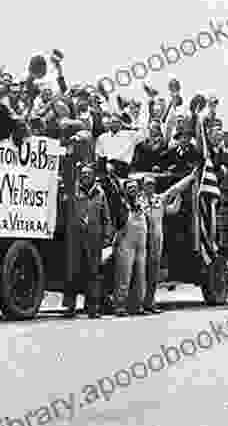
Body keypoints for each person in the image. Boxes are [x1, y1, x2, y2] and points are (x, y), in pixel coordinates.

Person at [141, 169, 198, 314]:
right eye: (147, 185)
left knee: (153, 273)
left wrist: (191, 177)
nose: (149, 187)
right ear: (143, 186)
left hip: (155, 241)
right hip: (140, 241)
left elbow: (174, 193)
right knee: (139, 273)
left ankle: (150, 302)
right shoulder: (137, 200)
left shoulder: (159, 200)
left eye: (152, 185)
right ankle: (138, 303)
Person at [62, 163, 112, 318]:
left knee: (93, 273)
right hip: (75, 238)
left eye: (88, 174)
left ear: (93, 176)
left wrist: (107, 236)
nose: (85, 176)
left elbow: (106, 217)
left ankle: (93, 308)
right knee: (72, 272)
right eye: (83, 174)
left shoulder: (100, 193)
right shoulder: (73, 191)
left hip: (93, 239)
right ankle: (70, 307)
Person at [112, 179, 148, 316]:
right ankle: (120, 306)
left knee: (140, 276)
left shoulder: (143, 204)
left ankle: (138, 306)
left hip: (141, 244)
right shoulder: (121, 204)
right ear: (125, 190)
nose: (132, 189)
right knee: (124, 275)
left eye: (134, 187)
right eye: (129, 188)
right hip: (125, 242)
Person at [95, 114, 149, 178]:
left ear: (121, 124)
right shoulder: (102, 137)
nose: (114, 124)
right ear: (109, 124)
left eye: (117, 122)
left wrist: (129, 126)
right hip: (107, 167)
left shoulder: (129, 135)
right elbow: (99, 155)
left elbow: (145, 133)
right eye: (112, 122)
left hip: (124, 168)